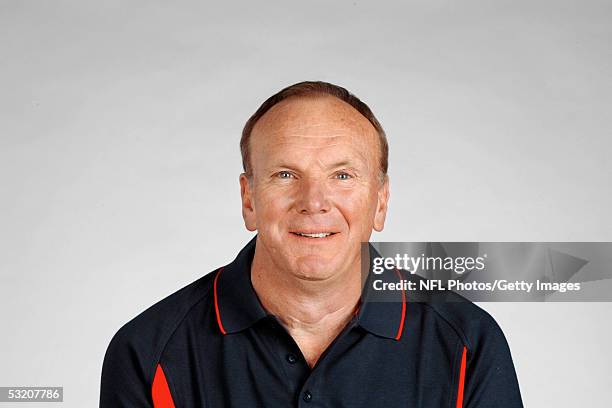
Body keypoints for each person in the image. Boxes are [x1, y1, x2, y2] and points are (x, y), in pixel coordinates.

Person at [100, 81, 523, 407]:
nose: (314, 202)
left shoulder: (468, 343)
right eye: (285, 175)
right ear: (249, 200)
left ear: (381, 201)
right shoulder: (148, 352)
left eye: (343, 176)